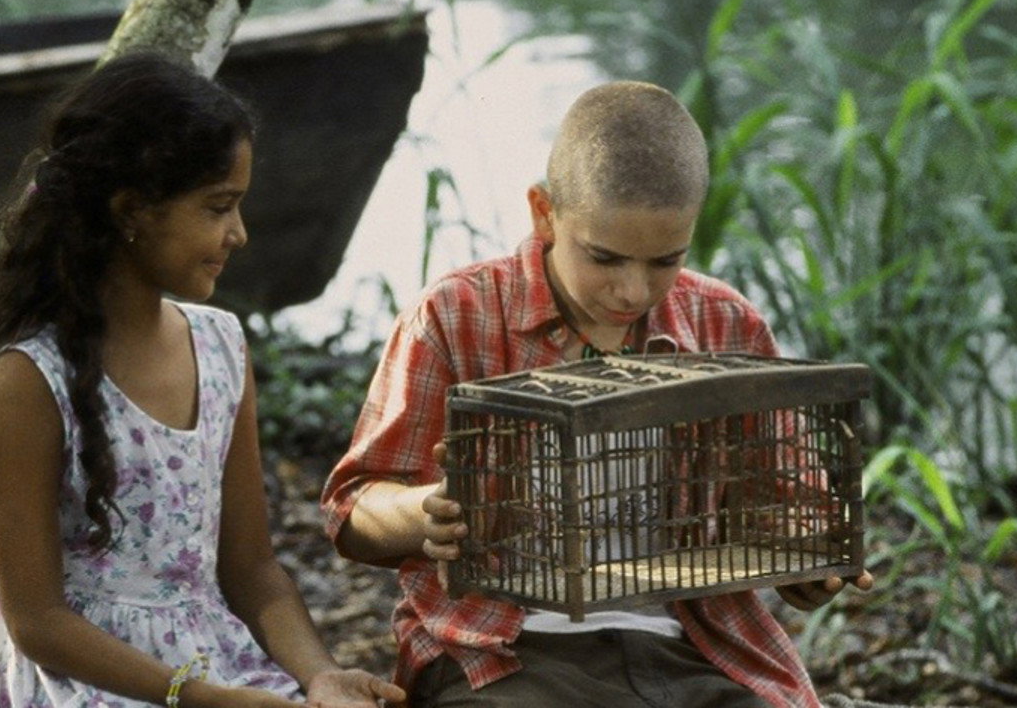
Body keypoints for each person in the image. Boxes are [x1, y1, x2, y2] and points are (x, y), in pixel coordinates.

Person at [321, 81, 873, 708]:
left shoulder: (725, 324)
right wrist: (426, 511)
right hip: (505, 651)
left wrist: (808, 560)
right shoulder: (455, 314)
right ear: (543, 211)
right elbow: (352, 509)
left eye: (665, 260)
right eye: (605, 258)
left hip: (692, 644)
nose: (634, 291)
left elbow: (790, 501)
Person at [0, 53, 405, 708]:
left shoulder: (219, 346)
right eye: (218, 207)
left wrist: (318, 674)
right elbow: (37, 621)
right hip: (74, 674)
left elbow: (253, 570)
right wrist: (201, 697)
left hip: (199, 656)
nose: (238, 233)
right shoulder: (30, 379)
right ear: (131, 210)